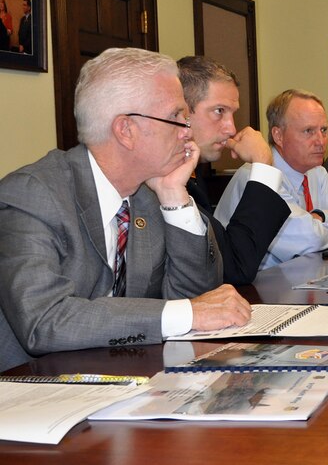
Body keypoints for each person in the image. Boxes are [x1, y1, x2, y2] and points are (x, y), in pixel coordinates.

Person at [0, 47, 252, 372]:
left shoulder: (147, 193)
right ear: (126, 130)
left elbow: (198, 298)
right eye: (176, 117)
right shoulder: (32, 194)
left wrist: (175, 197)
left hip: (118, 379)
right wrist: (186, 313)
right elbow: (44, 321)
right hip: (27, 393)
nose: (187, 131)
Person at [177, 56, 290, 285]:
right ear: (182, 114)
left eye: (232, 113)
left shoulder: (194, 177)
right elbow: (236, 268)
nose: (231, 128)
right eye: (219, 111)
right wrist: (262, 164)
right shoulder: (163, 182)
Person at [216, 89, 328, 268]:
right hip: (252, 288)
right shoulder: (256, 176)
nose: (321, 141)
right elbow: (308, 241)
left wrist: (320, 217)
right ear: (278, 136)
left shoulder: (316, 172)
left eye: (323, 130)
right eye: (308, 131)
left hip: (298, 279)